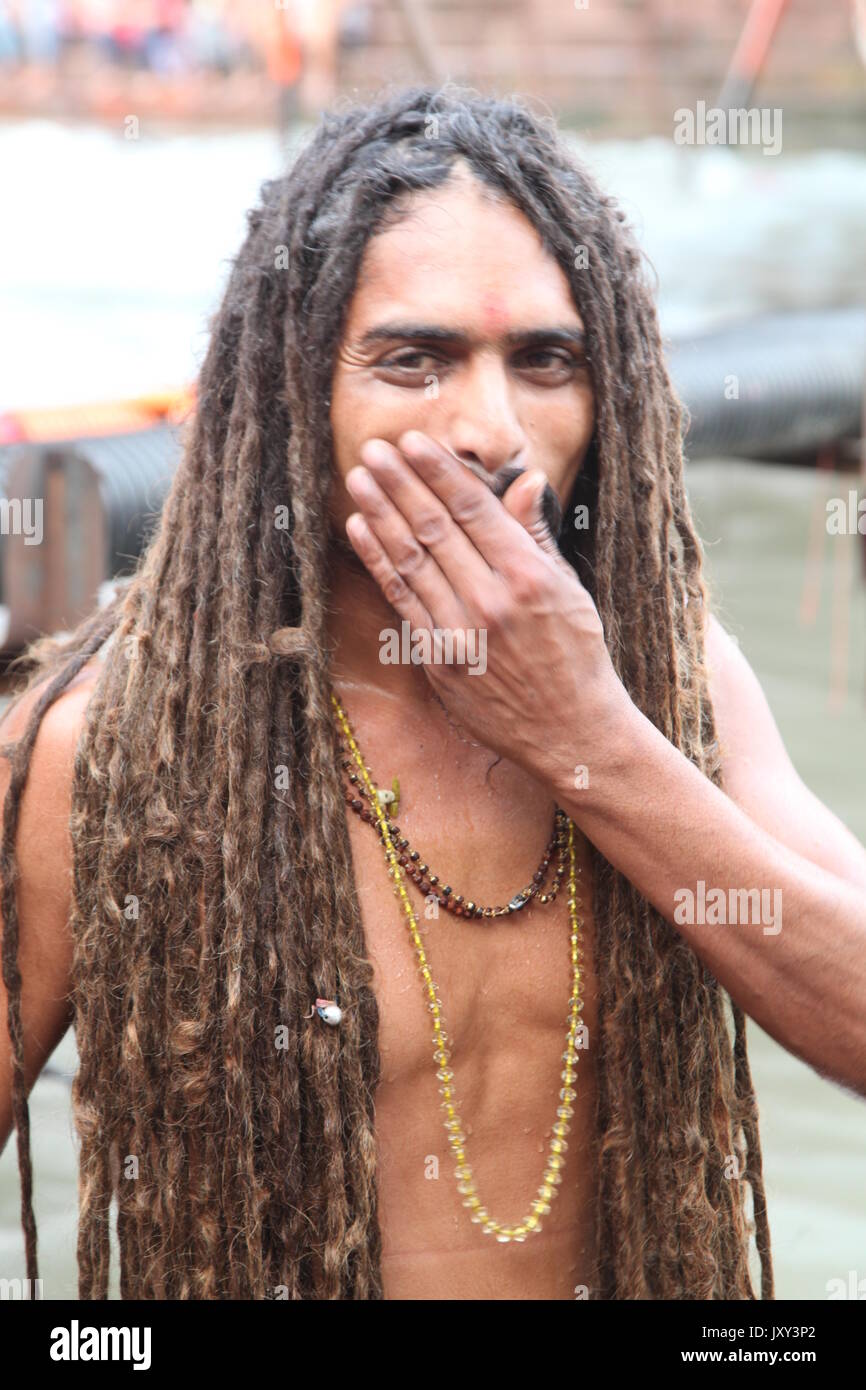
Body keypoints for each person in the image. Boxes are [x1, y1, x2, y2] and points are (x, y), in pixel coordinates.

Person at [2, 83, 865, 1302]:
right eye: (413, 360)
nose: (490, 427)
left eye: (545, 361)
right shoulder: (109, 749)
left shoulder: (676, 684)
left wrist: (590, 742)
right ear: (292, 393)